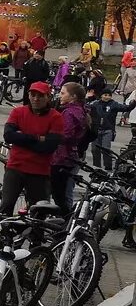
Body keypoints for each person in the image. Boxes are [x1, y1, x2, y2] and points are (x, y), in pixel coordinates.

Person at [0, 81, 63, 213]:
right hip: (15, 168)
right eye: (33, 95)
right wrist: (37, 138)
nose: (36, 99)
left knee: (39, 211)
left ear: (48, 97)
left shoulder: (56, 117)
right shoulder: (18, 112)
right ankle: (4, 231)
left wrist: (22, 138)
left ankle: (34, 234)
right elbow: (9, 136)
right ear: (28, 95)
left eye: (40, 96)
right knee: (6, 205)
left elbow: (49, 146)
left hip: (39, 171)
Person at [50, 81, 88, 210]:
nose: (59, 96)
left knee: (58, 193)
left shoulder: (69, 113)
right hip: (70, 155)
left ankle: (63, 219)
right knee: (61, 191)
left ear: (73, 97)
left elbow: (65, 135)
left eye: (62, 93)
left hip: (61, 157)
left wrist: (46, 137)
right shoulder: (80, 110)